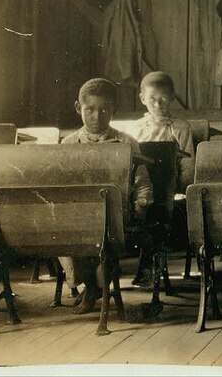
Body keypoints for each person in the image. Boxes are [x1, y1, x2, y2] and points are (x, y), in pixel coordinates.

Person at [60, 78, 153, 313]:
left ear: (114, 111)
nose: (96, 116)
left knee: (103, 235)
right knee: (67, 232)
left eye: (104, 109)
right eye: (89, 109)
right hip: (79, 216)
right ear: (78, 108)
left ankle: (97, 287)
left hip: (117, 216)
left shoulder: (126, 143)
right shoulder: (68, 144)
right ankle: (92, 286)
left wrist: (140, 209)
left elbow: (142, 184)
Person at [131, 70, 194, 287]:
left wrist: (184, 187)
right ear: (142, 99)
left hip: (170, 184)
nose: (157, 105)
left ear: (172, 98)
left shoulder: (180, 127)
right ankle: (148, 267)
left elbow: (187, 163)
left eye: (163, 99)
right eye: (152, 99)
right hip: (143, 184)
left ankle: (150, 269)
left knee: (158, 209)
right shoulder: (138, 128)